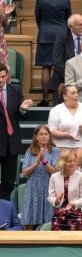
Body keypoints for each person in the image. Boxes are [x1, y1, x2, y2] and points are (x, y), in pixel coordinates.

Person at [35, 0, 71, 107]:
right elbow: (69, 18)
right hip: (62, 35)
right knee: (62, 66)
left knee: (46, 67)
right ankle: (61, 100)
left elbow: (38, 18)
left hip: (45, 35)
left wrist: (44, 28)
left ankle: (44, 99)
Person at [0, 63, 33, 199]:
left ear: (7, 75)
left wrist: (23, 108)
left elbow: (22, 115)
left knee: (9, 181)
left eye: (2, 76)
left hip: (11, 142)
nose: (0, 80)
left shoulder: (15, 90)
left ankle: (3, 209)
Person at [20, 125, 59, 229]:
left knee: (48, 219)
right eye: (41, 134)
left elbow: (55, 172)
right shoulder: (30, 150)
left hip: (49, 186)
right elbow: (24, 172)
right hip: (33, 187)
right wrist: (36, 163)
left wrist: (44, 162)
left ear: (49, 136)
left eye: (46, 134)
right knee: (30, 219)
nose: (44, 136)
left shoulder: (55, 151)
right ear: (36, 137)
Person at [47, 149, 82, 231]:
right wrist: (56, 200)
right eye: (69, 161)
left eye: (74, 161)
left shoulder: (81, 176)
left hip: (75, 214)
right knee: (57, 241)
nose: (73, 163)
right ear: (62, 162)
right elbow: (50, 197)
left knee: (75, 242)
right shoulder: (54, 177)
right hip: (58, 215)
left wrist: (73, 204)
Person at [50, 14, 82, 105]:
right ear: (71, 26)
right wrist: (71, 75)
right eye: (79, 25)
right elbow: (57, 61)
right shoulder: (62, 36)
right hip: (63, 78)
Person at [47, 85, 82, 150]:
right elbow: (51, 131)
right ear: (64, 96)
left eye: (77, 93)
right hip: (62, 149)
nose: (76, 95)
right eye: (73, 93)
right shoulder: (56, 110)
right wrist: (66, 135)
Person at [0, 0, 15, 70]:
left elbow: (5, 25)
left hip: (0, 42)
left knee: (2, 68)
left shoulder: (2, 1)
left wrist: (5, 15)